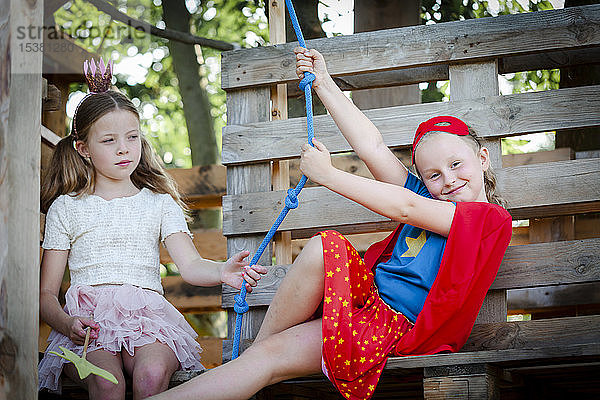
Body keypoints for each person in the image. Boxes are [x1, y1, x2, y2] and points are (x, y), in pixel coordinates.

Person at [150, 48, 512, 400]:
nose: (447, 180)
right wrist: (323, 83)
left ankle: (256, 361)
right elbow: (372, 147)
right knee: (323, 252)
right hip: (364, 308)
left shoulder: (489, 221)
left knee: (268, 354)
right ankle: (257, 358)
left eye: (456, 165)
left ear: (482, 158)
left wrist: (329, 175)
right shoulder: (432, 199)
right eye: (433, 174)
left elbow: (404, 207)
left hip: (391, 329)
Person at [38, 58, 267, 400]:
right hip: (88, 327)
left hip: (148, 320)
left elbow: (190, 265)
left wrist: (222, 270)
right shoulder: (68, 208)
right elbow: (45, 295)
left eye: (132, 137)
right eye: (109, 140)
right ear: (83, 148)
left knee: (152, 374)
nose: (123, 148)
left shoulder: (158, 202)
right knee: (107, 383)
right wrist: (66, 324)